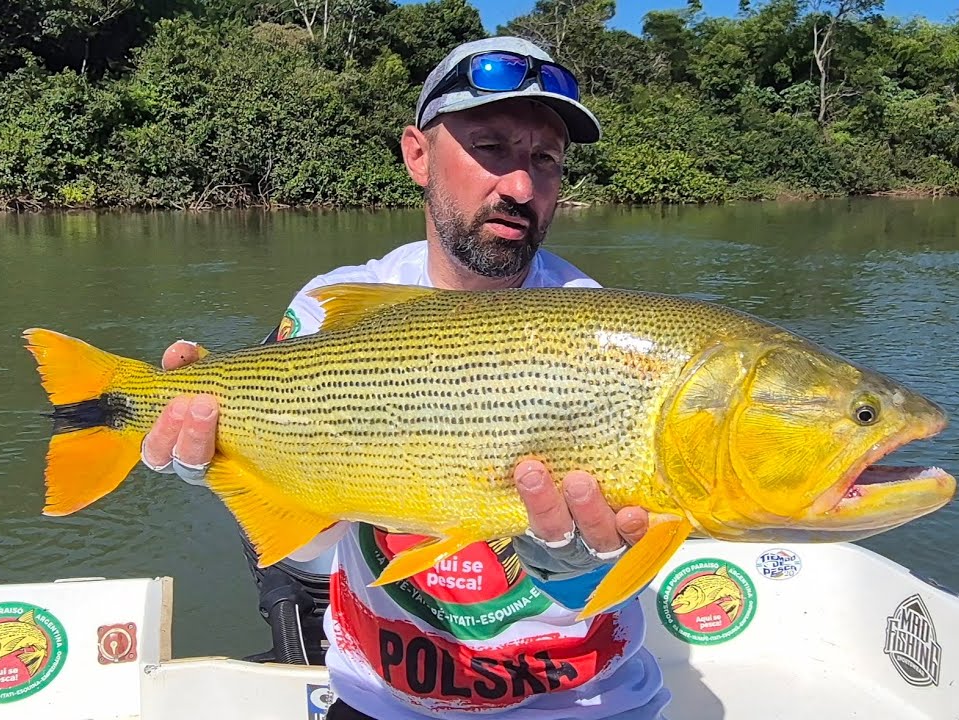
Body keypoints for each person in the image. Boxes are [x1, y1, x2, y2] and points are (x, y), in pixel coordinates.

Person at [139, 36, 672, 719]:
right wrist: (232, 467)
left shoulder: (604, 331)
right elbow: (306, 557)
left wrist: (580, 568)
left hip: (586, 701)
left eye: (545, 160)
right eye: (493, 148)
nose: (520, 187)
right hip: (381, 699)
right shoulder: (333, 308)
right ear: (417, 155)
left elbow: (627, 559)